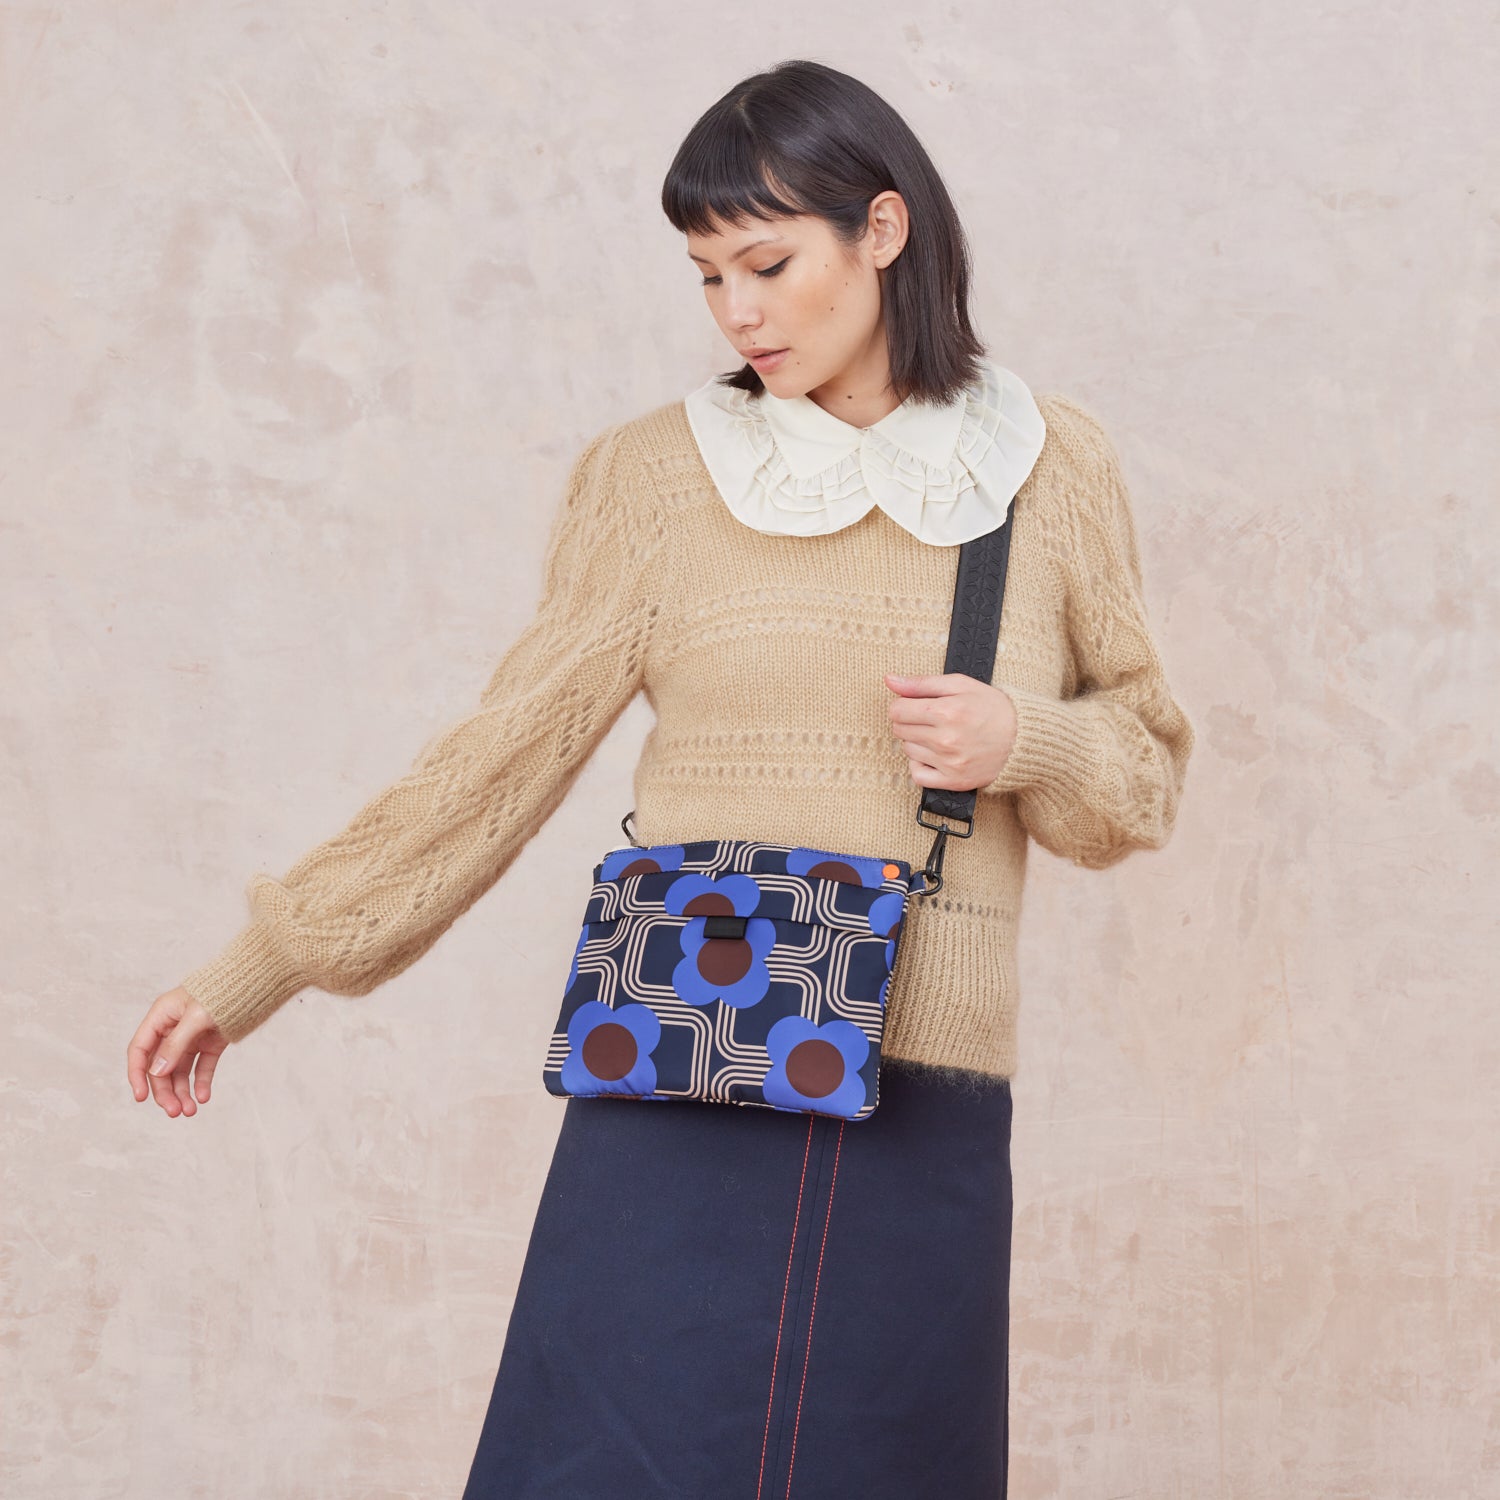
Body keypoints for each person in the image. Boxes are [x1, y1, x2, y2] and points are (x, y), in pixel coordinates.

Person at [126, 58, 1194, 1499]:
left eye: (768, 262)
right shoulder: (654, 479)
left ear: (883, 233)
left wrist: (1024, 744)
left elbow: (1140, 771)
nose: (739, 313)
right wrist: (261, 964)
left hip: (919, 1091)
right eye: (707, 276)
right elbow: (499, 757)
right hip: (685, 1059)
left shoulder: (1047, 466)